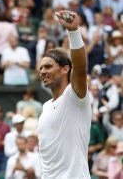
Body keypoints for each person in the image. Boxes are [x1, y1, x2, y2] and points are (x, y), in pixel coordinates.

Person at [37, 10, 91, 178]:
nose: (43, 72)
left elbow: (80, 67)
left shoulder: (74, 96)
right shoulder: (45, 107)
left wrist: (74, 32)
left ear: (65, 69)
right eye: (41, 68)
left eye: (48, 67)